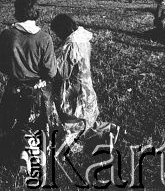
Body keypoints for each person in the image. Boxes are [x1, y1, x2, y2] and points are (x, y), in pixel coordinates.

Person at [0, 0, 57, 153]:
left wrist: (14, 69)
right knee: (37, 122)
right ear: (36, 12)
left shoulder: (7, 34)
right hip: (37, 87)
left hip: (14, 85)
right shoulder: (44, 38)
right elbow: (51, 70)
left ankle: (13, 146)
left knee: (11, 120)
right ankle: (34, 150)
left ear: (16, 12)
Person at [50, 14, 120, 149]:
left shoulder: (71, 44)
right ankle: (107, 129)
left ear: (62, 29)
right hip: (85, 82)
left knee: (71, 117)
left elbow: (62, 72)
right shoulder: (82, 39)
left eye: (57, 32)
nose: (57, 36)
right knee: (84, 116)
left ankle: (92, 138)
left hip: (73, 87)